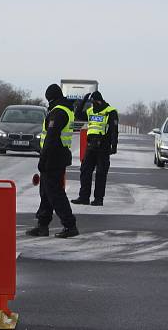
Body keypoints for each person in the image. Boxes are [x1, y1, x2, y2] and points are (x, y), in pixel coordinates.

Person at [27, 83, 79, 238]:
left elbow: (51, 137)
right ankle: (43, 225)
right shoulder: (62, 109)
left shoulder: (58, 112)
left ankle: (70, 226)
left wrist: (43, 159)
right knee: (46, 192)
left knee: (55, 193)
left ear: (51, 98)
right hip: (56, 156)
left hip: (53, 157)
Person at [71, 91, 118, 206]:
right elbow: (77, 115)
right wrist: (83, 102)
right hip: (91, 146)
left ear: (99, 101)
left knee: (101, 174)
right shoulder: (90, 111)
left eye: (94, 102)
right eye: (91, 102)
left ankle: (98, 199)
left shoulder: (110, 112)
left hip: (103, 146)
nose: (93, 104)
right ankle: (83, 197)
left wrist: (114, 145)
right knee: (85, 171)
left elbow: (114, 130)